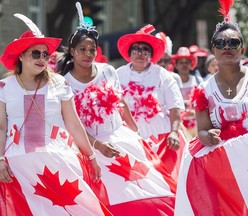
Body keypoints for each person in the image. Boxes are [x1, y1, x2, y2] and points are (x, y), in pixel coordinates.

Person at [58, 3, 176, 215]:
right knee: (102, 201)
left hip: (121, 139)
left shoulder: (108, 71)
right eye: (82, 49)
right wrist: (98, 146)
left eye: (92, 49)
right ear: (73, 51)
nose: (88, 54)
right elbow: (72, 124)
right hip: (89, 146)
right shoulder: (64, 83)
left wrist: (137, 135)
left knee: (151, 192)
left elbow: (122, 107)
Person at [175, 1, 248, 215]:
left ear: (242, 49)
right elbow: (201, 131)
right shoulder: (203, 90)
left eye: (233, 42)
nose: (227, 46)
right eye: (220, 42)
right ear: (213, 50)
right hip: (226, 171)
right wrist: (208, 136)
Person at [0, 13, 111, 216]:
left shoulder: (59, 83)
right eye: (36, 53)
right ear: (21, 56)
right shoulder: (5, 87)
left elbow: (74, 124)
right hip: (19, 164)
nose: (42, 58)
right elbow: (1, 128)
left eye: (45, 54)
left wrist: (92, 156)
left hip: (59, 160)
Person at [116, 24, 186, 182]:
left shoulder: (164, 76)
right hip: (129, 138)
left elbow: (175, 108)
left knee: (166, 182)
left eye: (145, 49)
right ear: (129, 53)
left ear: (152, 54)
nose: (140, 53)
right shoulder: (118, 75)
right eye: (136, 49)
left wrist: (174, 132)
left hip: (161, 139)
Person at [171, 47, 199, 137]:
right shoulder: (172, 81)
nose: (184, 65)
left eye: (187, 62)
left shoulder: (197, 80)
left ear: (191, 64)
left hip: (196, 123)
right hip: (179, 124)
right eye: (181, 63)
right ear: (176, 65)